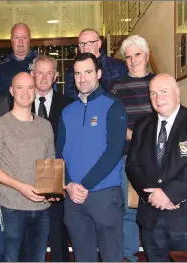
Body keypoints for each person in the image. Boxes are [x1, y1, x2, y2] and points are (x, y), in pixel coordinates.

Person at [57, 52, 127, 262]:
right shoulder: (67, 112)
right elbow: (59, 153)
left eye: (88, 72)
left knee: (111, 257)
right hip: (73, 198)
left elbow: (114, 151)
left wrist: (83, 185)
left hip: (104, 195)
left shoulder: (113, 106)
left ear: (98, 73)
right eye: (78, 74)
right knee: (82, 258)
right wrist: (69, 184)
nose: (82, 78)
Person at [0, 72, 55, 262]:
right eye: (20, 87)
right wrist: (21, 187)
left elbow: (50, 164)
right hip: (10, 208)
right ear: (11, 91)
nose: (25, 92)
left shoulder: (46, 126)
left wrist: (53, 190)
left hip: (41, 209)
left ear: (35, 91)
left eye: (30, 87)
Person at [126, 74, 187, 262]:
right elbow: (133, 166)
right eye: (153, 94)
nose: (158, 98)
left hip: (186, 220)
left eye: (164, 92)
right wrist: (151, 195)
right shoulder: (142, 125)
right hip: (151, 219)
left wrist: (168, 194)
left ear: (177, 93)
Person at [110, 35, 155, 262]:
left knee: (156, 206)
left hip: (157, 158)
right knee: (129, 208)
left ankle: (155, 253)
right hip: (128, 156)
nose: (133, 60)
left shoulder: (159, 82)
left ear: (147, 56)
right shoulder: (117, 87)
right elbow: (113, 122)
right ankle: (129, 255)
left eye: (137, 55)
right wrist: (136, 138)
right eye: (128, 57)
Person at [31, 55, 72, 262]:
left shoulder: (68, 105)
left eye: (49, 73)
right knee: (29, 241)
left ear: (56, 76)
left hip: (58, 176)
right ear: (32, 75)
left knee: (57, 237)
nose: (44, 77)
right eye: (40, 72)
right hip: (25, 177)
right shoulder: (19, 103)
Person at [64, 28, 128, 99]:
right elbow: (70, 99)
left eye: (90, 43)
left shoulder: (118, 66)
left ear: (99, 44)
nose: (85, 48)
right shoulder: (71, 71)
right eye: (82, 44)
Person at [0, 23, 38, 100]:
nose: (21, 41)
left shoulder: (40, 63)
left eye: (24, 37)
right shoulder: (2, 66)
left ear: (30, 39)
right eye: (17, 37)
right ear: (11, 40)